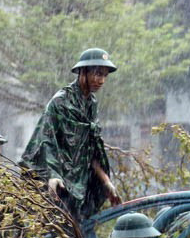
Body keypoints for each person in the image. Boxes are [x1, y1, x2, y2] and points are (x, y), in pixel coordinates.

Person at [20, 48, 122, 225]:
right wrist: (53, 174)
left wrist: (106, 182)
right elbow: (46, 141)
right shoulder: (61, 102)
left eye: (105, 75)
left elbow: (90, 151)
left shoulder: (91, 104)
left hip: (81, 186)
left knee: (80, 234)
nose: (102, 80)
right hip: (59, 186)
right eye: (98, 74)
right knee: (59, 237)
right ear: (83, 72)